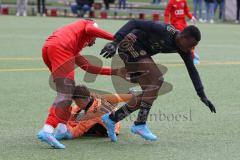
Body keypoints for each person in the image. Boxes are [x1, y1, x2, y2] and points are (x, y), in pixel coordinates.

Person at [99, 19, 216, 142]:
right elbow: (134, 22)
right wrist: (115, 42)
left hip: (140, 52)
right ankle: (140, 124)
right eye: (191, 45)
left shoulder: (184, 49)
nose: (192, 49)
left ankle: (112, 119)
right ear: (183, 38)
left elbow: (192, 71)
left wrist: (202, 95)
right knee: (157, 80)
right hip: (129, 45)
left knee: (149, 94)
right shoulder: (164, 29)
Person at [37, 19, 126, 149]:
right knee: (66, 93)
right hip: (61, 47)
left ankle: (61, 129)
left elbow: (88, 67)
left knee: (67, 91)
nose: (93, 43)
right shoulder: (87, 24)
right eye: (94, 39)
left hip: (49, 48)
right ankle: (47, 130)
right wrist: (116, 40)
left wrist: (116, 72)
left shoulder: (72, 43)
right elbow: (90, 29)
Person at [54, 85, 135, 140]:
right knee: (75, 119)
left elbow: (75, 132)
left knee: (79, 126)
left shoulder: (91, 115)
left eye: (76, 101)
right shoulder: (92, 97)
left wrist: (65, 129)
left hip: (110, 129)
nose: (75, 103)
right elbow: (74, 112)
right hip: (112, 120)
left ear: (80, 100)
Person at [164, 0, 200, 65]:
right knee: (183, 42)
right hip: (175, 26)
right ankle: (191, 56)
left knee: (190, 40)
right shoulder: (171, 2)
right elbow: (166, 14)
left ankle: (193, 55)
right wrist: (166, 24)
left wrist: (192, 17)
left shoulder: (183, 1)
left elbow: (186, 11)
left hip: (184, 25)